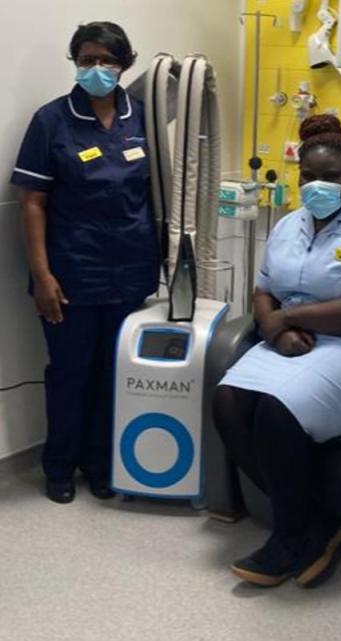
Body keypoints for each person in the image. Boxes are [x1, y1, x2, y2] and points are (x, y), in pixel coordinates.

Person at [213, 115, 341, 588]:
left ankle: (287, 538)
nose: (319, 185)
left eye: (332, 178)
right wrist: (272, 325)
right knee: (227, 401)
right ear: (298, 176)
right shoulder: (288, 225)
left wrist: (287, 320)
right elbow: (264, 290)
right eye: (309, 176)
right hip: (297, 340)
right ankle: (315, 522)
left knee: (276, 411)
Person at [11, 22, 158, 504]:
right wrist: (42, 275)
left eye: (107, 61)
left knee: (111, 375)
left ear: (125, 64)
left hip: (130, 269)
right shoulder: (52, 120)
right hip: (70, 272)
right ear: (75, 62)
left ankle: (99, 464)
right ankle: (58, 467)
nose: (97, 69)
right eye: (88, 60)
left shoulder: (142, 118)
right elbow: (32, 201)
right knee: (70, 371)